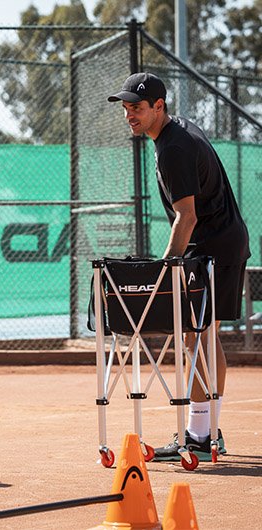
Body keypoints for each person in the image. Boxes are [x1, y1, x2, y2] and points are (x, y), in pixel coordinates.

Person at [107, 72, 250, 461]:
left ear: (159, 106)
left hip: (213, 246)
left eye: (136, 108)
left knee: (196, 339)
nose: (129, 115)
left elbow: (185, 217)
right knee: (205, 337)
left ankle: (200, 436)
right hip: (222, 241)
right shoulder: (177, 132)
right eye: (125, 108)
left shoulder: (173, 148)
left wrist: (166, 269)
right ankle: (206, 431)